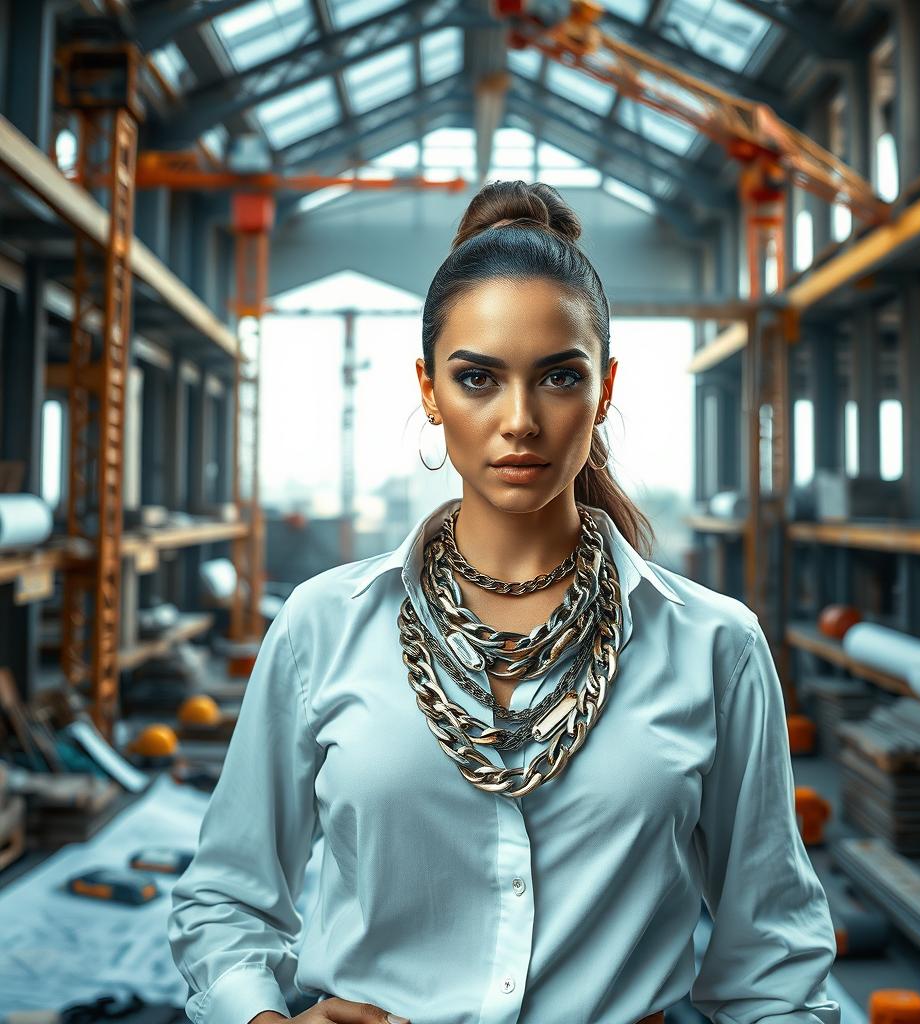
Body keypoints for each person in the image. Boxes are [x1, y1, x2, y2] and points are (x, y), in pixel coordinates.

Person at [167, 179, 840, 1024]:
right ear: (428, 388)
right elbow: (228, 896)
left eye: (558, 377)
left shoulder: (715, 647)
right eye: (477, 378)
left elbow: (772, 965)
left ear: (604, 389)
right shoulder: (324, 625)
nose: (519, 420)